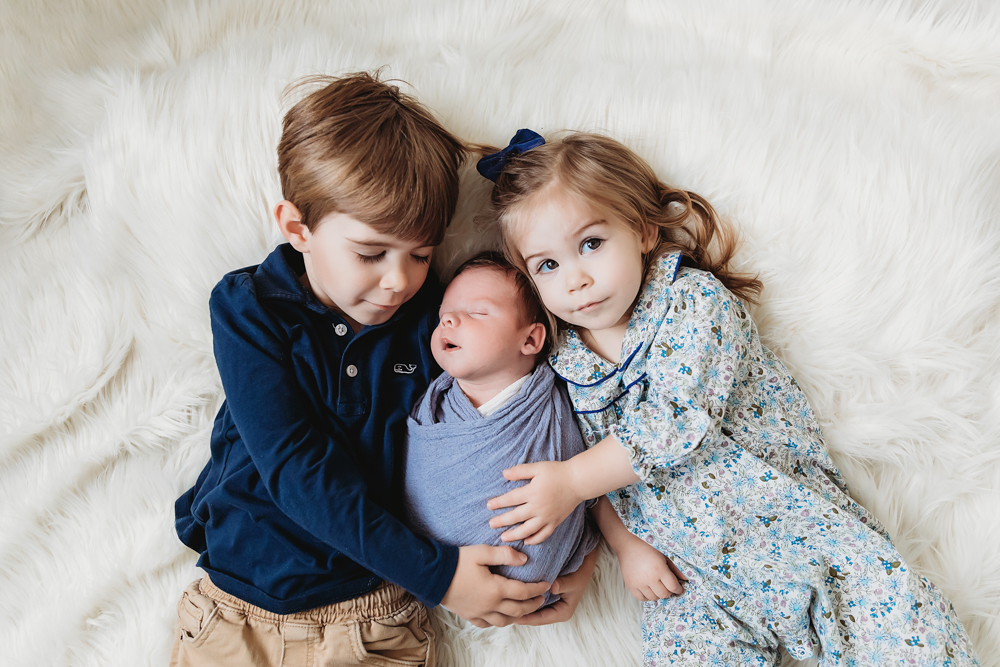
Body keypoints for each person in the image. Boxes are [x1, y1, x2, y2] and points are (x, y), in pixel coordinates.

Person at [479, 130, 980, 665]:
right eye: (547, 266)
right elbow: (595, 471)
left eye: (591, 245)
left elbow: (675, 419)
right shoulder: (564, 364)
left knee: (901, 627)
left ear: (644, 230)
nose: (575, 280)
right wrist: (627, 546)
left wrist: (572, 481)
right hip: (692, 573)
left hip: (796, 525)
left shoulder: (691, 302)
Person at [169, 76, 550, 667]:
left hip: (372, 612)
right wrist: (442, 578)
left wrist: (571, 562)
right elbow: (295, 466)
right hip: (239, 606)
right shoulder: (251, 308)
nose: (398, 281)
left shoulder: (432, 318)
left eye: (420, 255)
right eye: (371, 253)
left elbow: (518, 403)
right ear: (299, 230)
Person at [404, 252, 686, 614]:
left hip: (537, 585)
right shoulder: (431, 403)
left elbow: (592, 489)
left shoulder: (560, 405)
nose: (449, 320)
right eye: (444, 313)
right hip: (435, 577)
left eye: (477, 312)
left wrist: (627, 547)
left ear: (531, 339)